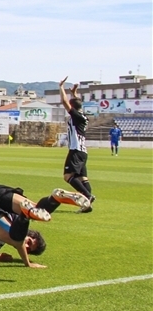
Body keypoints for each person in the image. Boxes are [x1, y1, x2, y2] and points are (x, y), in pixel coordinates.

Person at [0, 183, 91, 269]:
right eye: (29, 242)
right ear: (29, 234)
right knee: (17, 237)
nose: (26, 246)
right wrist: (27, 263)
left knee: (36, 210)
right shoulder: (14, 235)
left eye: (28, 249)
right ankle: (27, 215)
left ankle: (54, 199)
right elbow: (19, 243)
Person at [59, 77, 93, 212]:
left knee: (68, 176)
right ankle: (87, 205)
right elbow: (76, 103)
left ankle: (87, 196)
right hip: (83, 152)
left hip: (76, 150)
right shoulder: (82, 116)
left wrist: (61, 87)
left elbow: (64, 102)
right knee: (82, 178)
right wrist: (74, 93)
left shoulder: (76, 116)